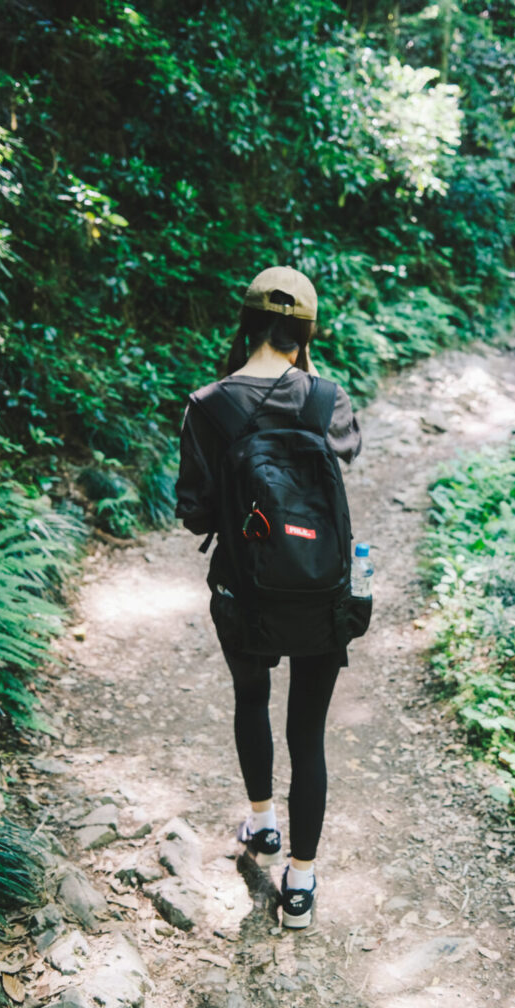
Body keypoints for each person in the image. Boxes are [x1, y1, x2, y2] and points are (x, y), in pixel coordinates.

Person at [175, 266, 362, 928]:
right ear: (307, 331)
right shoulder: (327, 396)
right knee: (307, 733)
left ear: (247, 321)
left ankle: (261, 828)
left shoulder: (208, 405)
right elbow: (349, 449)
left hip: (242, 592)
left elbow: (195, 514)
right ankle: (302, 886)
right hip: (319, 590)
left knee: (251, 699)